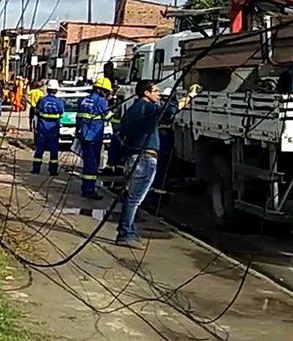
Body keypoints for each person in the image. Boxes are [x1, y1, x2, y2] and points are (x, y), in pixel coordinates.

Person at [116, 80, 200, 248]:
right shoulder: (148, 108)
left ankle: (128, 230)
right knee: (135, 198)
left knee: (131, 195)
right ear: (146, 93)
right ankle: (125, 234)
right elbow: (171, 110)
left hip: (133, 155)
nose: (158, 93)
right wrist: (190, 95)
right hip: (144, 157)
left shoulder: (133, 110)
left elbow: (123, 132)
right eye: (155, 91)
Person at [75, 76, 113, 200]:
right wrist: (112, 105)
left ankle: (86, 187)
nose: (107, 93)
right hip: (94, 136)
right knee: (92, 164)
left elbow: (79, 117)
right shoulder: (101, 101)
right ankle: (89, 190)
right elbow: (107, 117)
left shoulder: (85, 99)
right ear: (101, 90)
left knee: (87, 162)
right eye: (107, 91)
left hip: (84, 135)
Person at [32, 80, 64, 176]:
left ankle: (36, 169)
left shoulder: (42, 100)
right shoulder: (59, 102)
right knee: (54, 151)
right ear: (56, 90)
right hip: (53, 130)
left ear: (48, 89)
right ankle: (53, 171)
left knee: (39, 149)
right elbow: (61, 113)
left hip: (42, 129)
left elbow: (37, 111)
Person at [152, 88, 175, 194]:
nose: (163, 101)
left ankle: (158, 184)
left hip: (164, 135)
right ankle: (159, 185)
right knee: (161, 162)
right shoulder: (163, 109)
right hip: (163, 136)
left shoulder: (161, 108)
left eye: (166, 99)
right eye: (163, 99)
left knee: (162, 162)